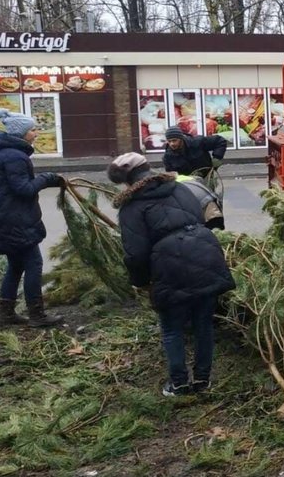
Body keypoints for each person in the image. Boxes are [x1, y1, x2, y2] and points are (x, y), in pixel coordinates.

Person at [108, 152, 235, 397]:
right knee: (203, 324)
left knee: (172, 328)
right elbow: (199, 218)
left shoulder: (131, 207)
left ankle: (178, 384)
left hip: (170, 265)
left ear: (126, 181)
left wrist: (142, 282)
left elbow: (135, 253)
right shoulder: (180, 188)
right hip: (205, 253)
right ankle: (202, 381)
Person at [0, 109, 64, 327]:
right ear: (21, 134)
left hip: (6, 220)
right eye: (32, 129)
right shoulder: (14, 156)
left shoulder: (3, 153)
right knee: (33, 263)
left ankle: (6, 314)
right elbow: (24, 189)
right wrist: (47, 179)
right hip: (15, 221)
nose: (36, 133)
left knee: (16, 266)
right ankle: (37, 315)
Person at [162, 126, 227, 176]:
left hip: (206, 177)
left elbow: (220, 141)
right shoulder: (168, 157)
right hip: (188, 184)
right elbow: (171, 175)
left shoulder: (197, 142)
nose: (172, 144)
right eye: (169, 141)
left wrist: (217, 157)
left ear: (181, 138)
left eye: (174, 140)